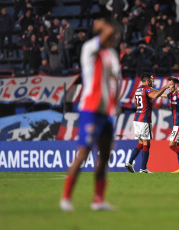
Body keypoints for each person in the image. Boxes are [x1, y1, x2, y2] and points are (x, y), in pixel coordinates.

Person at [60, 18, 121, 212]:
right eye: (113, 35)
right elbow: (108, 32)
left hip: (106, 113)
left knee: (104, 157)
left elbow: (115, 79)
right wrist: (103, 25)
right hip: (90, 109)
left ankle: (98, 200)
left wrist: (116, 103)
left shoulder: (112, 54)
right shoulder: (90, 49)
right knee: (83, 154)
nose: (115, 38)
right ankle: (66, 198)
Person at [125, 72, 172, 173]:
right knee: (147, 143)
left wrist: (168, 96)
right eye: (151, 79)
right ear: (147, 80)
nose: (153, 81)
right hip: (144, 119)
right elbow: (155, 96)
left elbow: (135, 103)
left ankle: (129, 162)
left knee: (141, 143)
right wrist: (166, 86)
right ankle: (143, 168)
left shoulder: (138, 89)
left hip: (137, 118)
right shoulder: (147, 89)